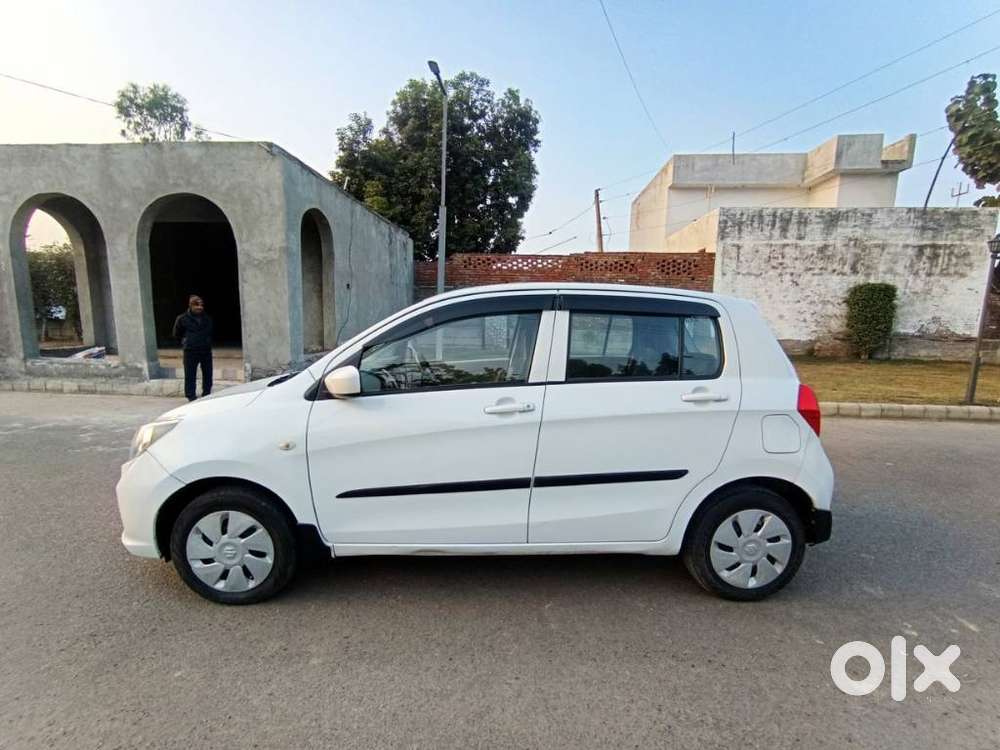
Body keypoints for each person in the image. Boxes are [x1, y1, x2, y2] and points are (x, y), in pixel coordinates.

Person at [172, 294, 213, 401]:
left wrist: (207, 342)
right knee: (190, 374)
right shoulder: (182, 319)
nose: (199, 307)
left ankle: (207, 394)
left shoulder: (207, 318)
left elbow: (211, 332)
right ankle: (191, 396)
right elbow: (177, 334)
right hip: (190, 351)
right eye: (196, 305)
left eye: (201, 305)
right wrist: (186, 342)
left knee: (208, 374)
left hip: (205, 350)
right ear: (190, 305)